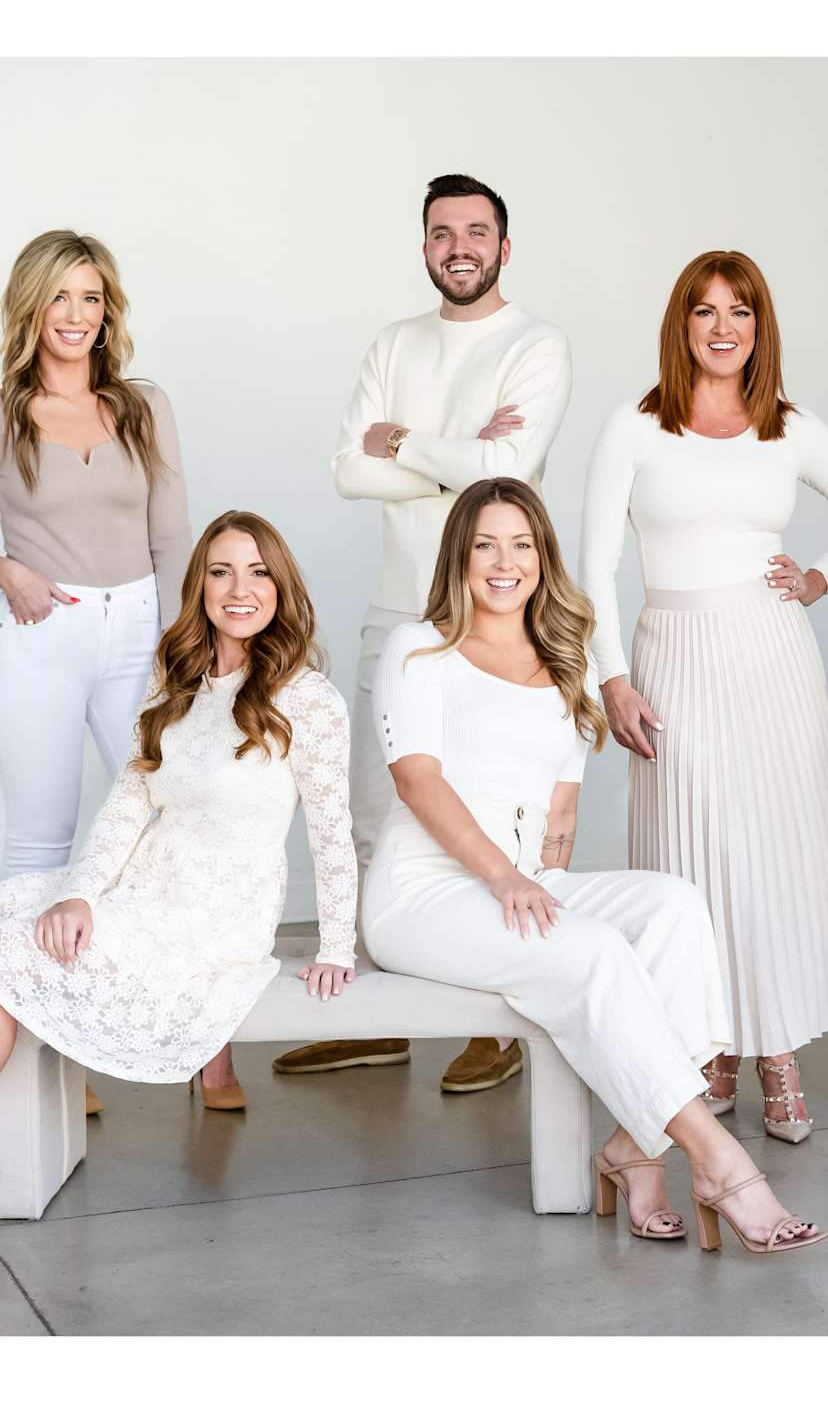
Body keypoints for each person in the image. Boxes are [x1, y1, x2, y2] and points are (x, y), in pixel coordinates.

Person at [362, 476, 824, 1253]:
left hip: (522, 883)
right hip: (422, 895)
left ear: (542, 555)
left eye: (521, 544)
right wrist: (505, 879)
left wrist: (539, 887)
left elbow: (562, 812)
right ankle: (721, 1163)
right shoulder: (420, 646)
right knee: (595, 949)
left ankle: (634, 1150)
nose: (504, 562)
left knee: (674, 905)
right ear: (459, 557)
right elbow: (417, 780)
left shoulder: (564, 655)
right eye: (485, 545)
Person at [579, 250, 828, 1142]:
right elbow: (594, 562)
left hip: (772, 656)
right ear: (682, 324)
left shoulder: (789, 425)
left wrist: (819, 578)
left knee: (772, 855)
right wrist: (611, 676)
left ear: (760, 327)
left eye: (741, 312)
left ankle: (777, 1051)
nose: (724, 328)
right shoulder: (635, 426)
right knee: (691, 857)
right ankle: (712, 1044)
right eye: (706, 311)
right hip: (672, 656)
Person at [274, 173, 573, 1087]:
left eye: (476, 232)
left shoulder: (536, 345)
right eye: (443, 233)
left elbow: (507, 467)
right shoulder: (395, 342)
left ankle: (500, 1021)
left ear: (504, 247)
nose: (459, 247)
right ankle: (378, 1016)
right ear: (425, 247)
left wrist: (402, 442)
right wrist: (462, 458)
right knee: (373, 813)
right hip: (400, 612)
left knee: (503, 816)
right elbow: (347, 471)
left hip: (496, 616)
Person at [0, 511, 357, 1107]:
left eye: (259, 573)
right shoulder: (175, 680)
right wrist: (81, 892)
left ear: (280, 587)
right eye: (221, 572)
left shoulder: (307, 698)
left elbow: (331, 832)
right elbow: (128, 800)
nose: (240, 589)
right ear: (200, 586)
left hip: (215, 916)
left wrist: (336, 949)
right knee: (14, 918)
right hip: (141, 887)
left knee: (11, 952)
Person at [0, 229, 192, 1115]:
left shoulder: (143, 406)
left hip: (141, 630)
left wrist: (182, 645)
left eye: (92, 298)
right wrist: (5, 567)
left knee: (168, 820)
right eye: (60, 297)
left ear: (108, 310)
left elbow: (173, 533)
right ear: (31, 307)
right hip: (40, 633)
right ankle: (46, 1044)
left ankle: (203, 1047)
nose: (76, 315)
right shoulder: (5, 409)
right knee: (38, 845)